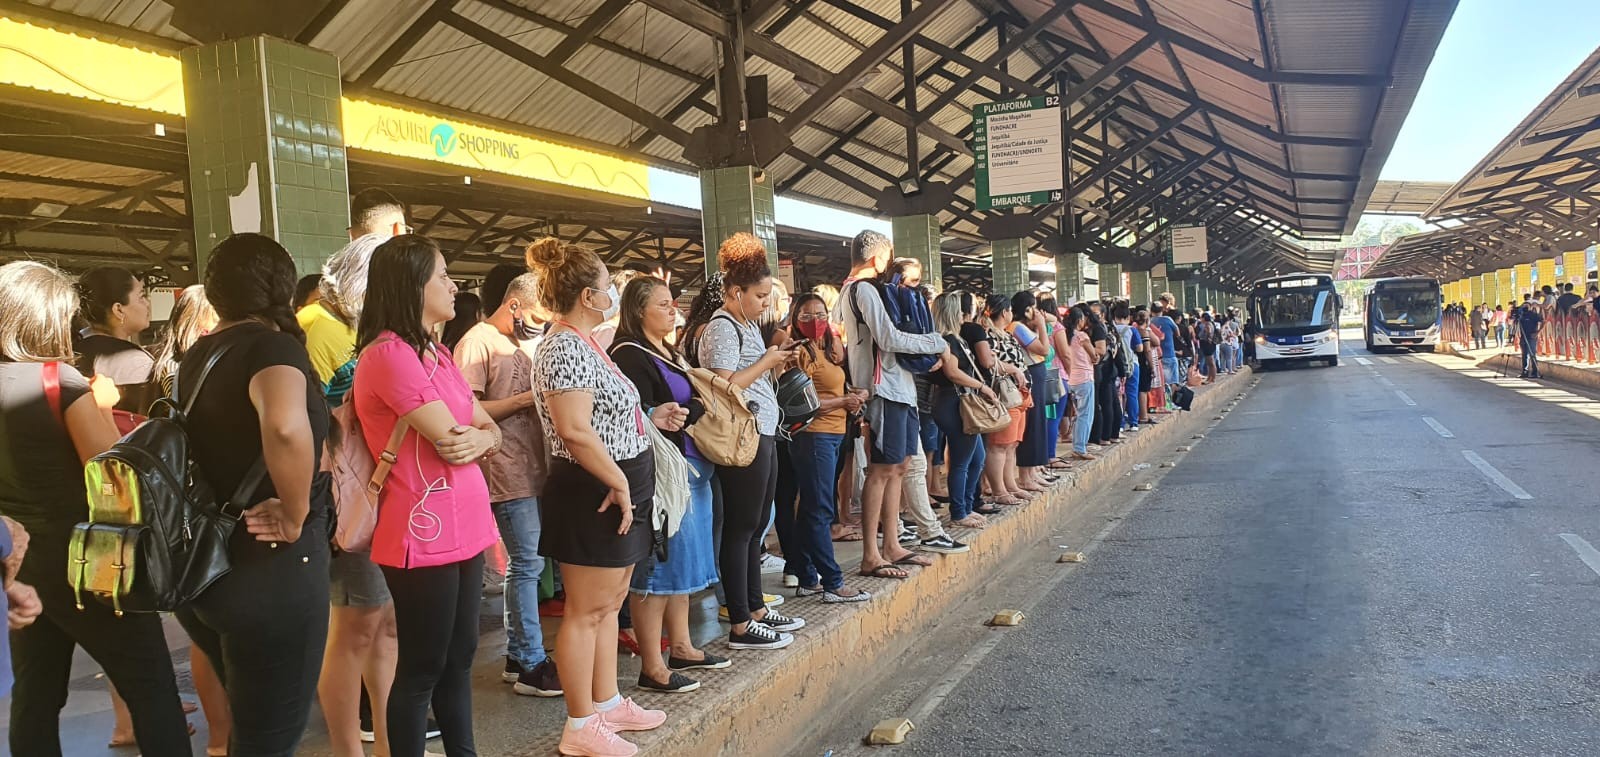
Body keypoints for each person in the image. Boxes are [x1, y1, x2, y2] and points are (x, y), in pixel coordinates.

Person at [0, 261, 191, 757]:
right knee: (151, 686)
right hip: (89, 559)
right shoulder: (57, 380)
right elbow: (108, 468)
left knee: (36, 692)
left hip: (19, 562)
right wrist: (101, 403)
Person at [174, 233, 338, 755]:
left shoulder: (200, 354)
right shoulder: (271, 347)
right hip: (271, 569)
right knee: (269, 740)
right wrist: (295, 511)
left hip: (206, 568)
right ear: (282, 287)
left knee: (251, 729)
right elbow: (285, 427)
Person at [352, 235, 501, 756]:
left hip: (464, 523)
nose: (454, 285)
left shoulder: (437, 352)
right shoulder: (388, 355)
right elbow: (451, 438)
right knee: (422, 667)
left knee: (459, 659)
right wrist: (481, 437)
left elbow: (483, 428)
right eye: (443, 275)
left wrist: (484, 438)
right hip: (421, 528)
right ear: (412, 284)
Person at [526, 237, 667, 756]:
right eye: (608, 286)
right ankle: (580, 723)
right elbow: (574, 429)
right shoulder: (562, 347)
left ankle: (606, 703)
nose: (613, 294)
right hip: (592, 487)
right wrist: (619, 482)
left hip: (613, 480)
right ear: (588, 296)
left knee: (608, 604)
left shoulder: (585, 343)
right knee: (586, 610)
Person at [301, 234, 418, 757]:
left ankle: (391, 745)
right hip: (353, 502)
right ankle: (349, 749)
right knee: (356, 629)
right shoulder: (322, 329)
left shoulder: (361, 333)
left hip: (380, 498)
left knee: (385, 626)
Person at [611, 276, 736, 690]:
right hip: (664, 474)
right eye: (663, 304)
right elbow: (636, 413)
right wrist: (676, 410)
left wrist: (691, 407)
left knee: (682, 565)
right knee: (659, 568)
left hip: (691, 468)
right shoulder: (629, 354)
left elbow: (691, 400)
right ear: (638, 310)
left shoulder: (666, 349)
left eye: (672, 303)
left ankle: (682, 645)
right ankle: (652, 665)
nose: (673, 310)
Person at [452, 272, 564, 698]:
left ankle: (521, 654)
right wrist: (524, 400)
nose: (538, 325)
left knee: (532, 563)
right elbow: (466, 409)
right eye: (535, 317)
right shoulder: (476, 343)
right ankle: (529, 659)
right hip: (504, 467)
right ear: (513, 305)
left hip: (537, 466)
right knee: (526, 563)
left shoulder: (531, 343)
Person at [699, 233, 807, 646]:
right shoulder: (722, 327)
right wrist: (767, 361)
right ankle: (741, 621)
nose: (765, 303)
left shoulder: (745, 324)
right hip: (742, 437)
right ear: (735, 292)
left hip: (761, 432)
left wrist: (775, 361)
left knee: (757, 523)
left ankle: (756, 607)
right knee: (741, 527)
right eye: (760, 296)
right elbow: (724, 385)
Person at [147, 284, 233, 754]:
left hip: (172, 514)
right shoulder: (189, 373)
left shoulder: (163, 370)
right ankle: (223, 737)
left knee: (202, 633)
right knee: (211, 633)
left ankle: (221, 737)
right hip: (197, 514)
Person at [833, 231, 949, 580]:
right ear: (877, 258)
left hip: (898, 388)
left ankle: (892, 545)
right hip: (884, 390)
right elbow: (887, 338)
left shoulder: (853, 290)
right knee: (882, 469)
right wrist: (934, 342)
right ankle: (872, 553)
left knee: (899, 466)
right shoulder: (863, 290)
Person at [785, 292, 877, 600]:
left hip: (834, 433)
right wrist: (843, 402)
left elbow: (832, 387)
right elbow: (801, 402)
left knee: (811, 508)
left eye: (821, 315)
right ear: (795, 318)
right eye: (807, 315)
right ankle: (833, 582)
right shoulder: (799, 352)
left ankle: (806, 575)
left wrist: (854, 394)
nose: (815, 321)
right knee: (821, 509)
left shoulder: (825, 349)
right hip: (814, 435)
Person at [929, 292, 1001, 529]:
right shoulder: (947, 340)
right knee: (962, 460)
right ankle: (959, 512)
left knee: (976, 458)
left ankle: (967, 506)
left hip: (955, 400)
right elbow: (952, 373)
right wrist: (982, 386)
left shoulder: (954, 338)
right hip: (954, 401)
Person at [74, 266, 159, 419]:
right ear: (119, 310)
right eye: (141, 296)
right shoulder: (136, 362)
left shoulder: (70, 350)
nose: (147, 303)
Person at [978, 294, 1031, 506]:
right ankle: (998, 490)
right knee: (999, 445)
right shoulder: (989, 336)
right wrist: (1014, 370)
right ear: (1004, 312)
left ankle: (1010, 485)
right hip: (1004, 394)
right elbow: (990, 363)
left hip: (1018, 394)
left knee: (1012, 444)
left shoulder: (1005, 334)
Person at [1009, 291, 1056, 490]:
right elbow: (1044, 350)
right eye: (1033, 307)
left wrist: (1039, 322)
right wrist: (1041, 325)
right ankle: (1026, 475)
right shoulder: (1018, 327)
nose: (1037, 311)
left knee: (1038, 422)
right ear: (1026, 309)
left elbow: (1054, 320)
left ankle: (1033, 471)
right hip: (1032, 374)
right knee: (1032, 425)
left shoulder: (1023, 327)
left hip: (1036, 373)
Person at [1063, 306, 1099, 461]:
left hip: (1070, 378)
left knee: (1076, 414)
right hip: (1084, 378)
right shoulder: (1081, 336)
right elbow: (1094, 355)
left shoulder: (1064, 336)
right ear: (1079, 320)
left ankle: (1078, 445)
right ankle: (1080, 448)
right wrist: (1095, 357)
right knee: (1085, 414)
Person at [1112, 303, 1143, 432]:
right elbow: (1140, 348)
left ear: (1114, 317)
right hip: (1132, 364)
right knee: (1132, 393)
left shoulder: (1111, 330)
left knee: (1118, 395)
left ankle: (1119, 424)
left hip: (1115, 367)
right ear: (1128, 317)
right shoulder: (1132, 330)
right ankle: (1133, 423)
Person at [1517, 293, 1543, 379]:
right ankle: (1525, 371)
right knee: (1524, 354)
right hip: (1523, 336)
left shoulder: (1533, 315)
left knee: (1532, 354)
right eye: (1524, 306)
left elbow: (1543, 321)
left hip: (1532, 336)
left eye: (1527, 306)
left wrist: (1538, 332)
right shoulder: (1521, 316)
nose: (1525, 307)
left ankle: (1535, 372)